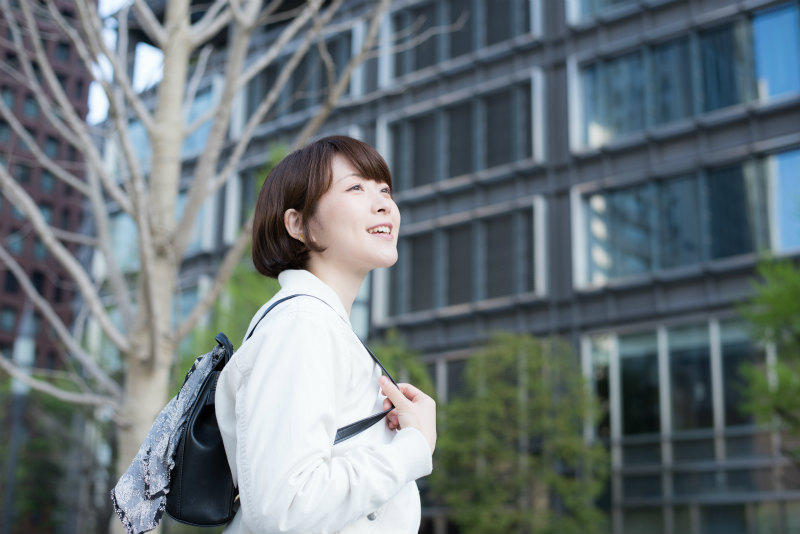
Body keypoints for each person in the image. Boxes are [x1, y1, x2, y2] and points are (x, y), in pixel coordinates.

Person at [215, 135, 437, 534]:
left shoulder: (318, 324)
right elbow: (285, 506)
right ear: (299, 224)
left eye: (384, 189)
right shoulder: (301, 323)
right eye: (355, 187)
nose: (384, 202)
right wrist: (413, 448)